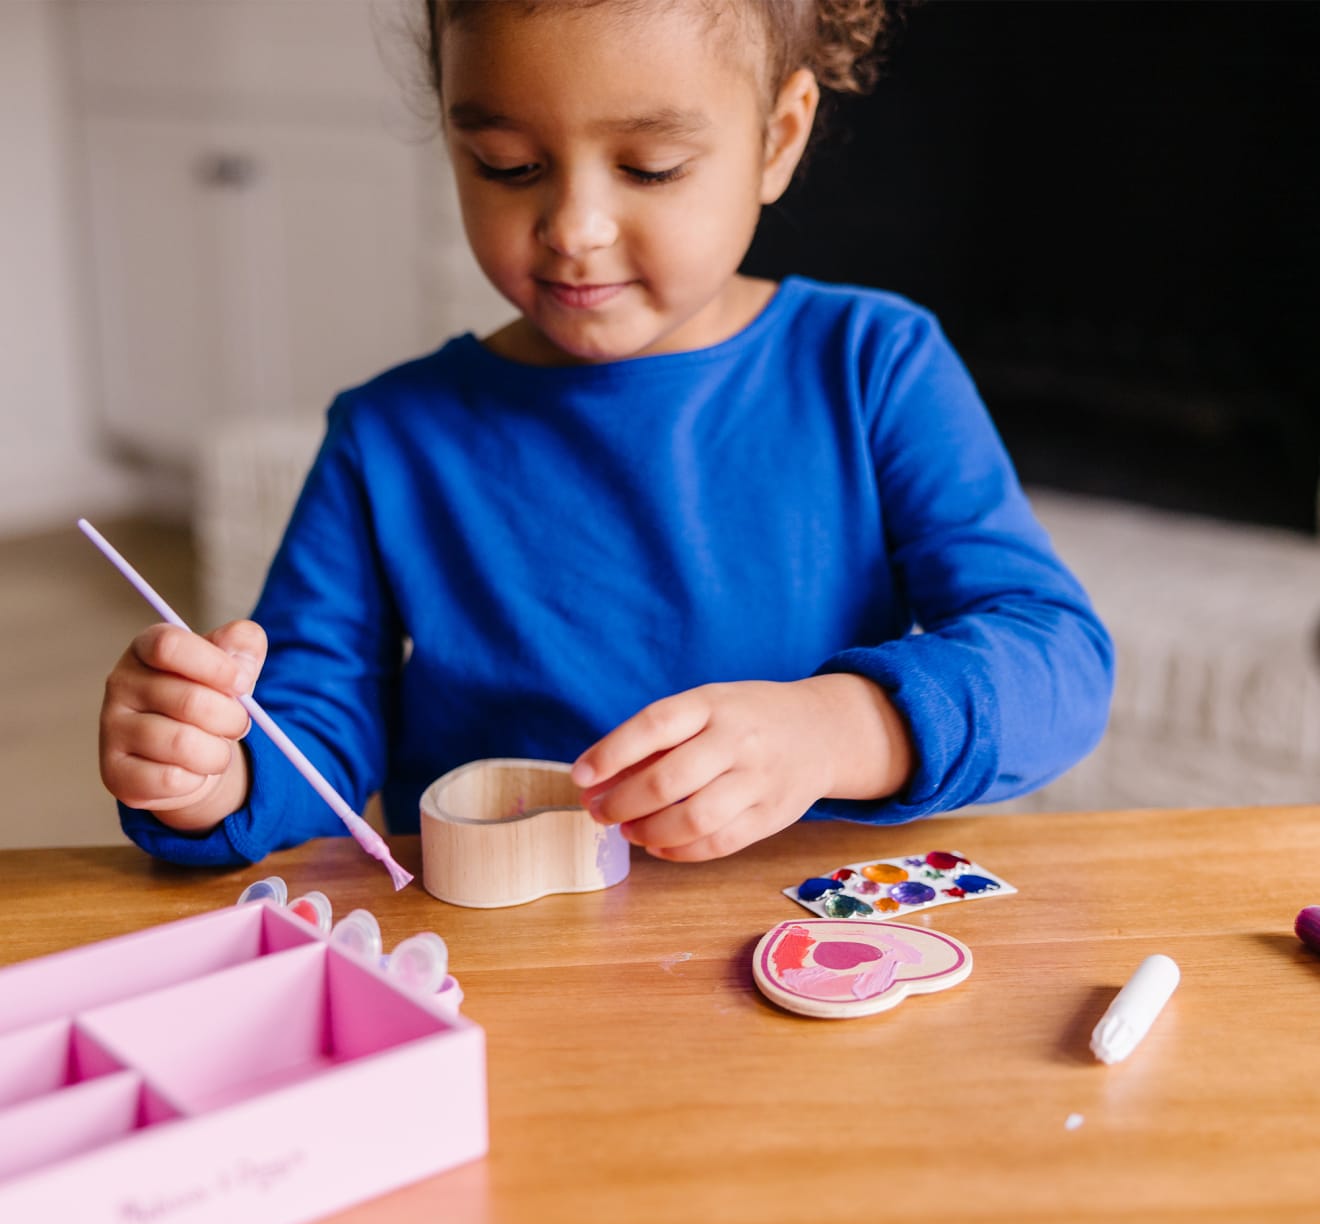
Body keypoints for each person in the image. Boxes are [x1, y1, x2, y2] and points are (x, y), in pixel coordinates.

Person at [98, 0, 1113, 869]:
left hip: (815, 962)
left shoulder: (874, 365)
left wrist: (839, 727)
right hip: (514, 976)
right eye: (507, 165)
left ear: (778, 138)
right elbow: (312, 720)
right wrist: (214, 772)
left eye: (652, 167)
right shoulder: (389, 437)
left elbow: (1056, 658)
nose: (574, 225)